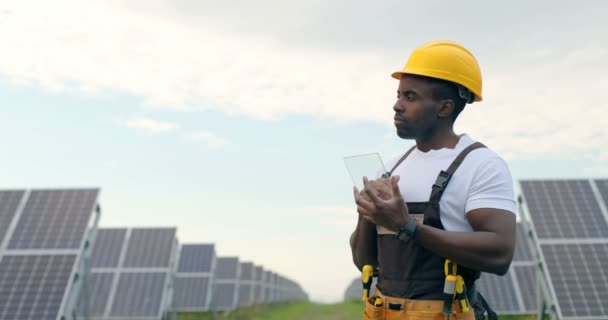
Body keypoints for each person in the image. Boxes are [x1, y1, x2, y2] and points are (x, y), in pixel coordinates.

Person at [350, 40, 516, 320]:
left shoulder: (481, 165)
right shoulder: (390, 170)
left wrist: (407, 227)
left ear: (444, 108)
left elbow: (500, 254)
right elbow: (364, 262)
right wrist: (368, 215)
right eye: (399, 95)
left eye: (410, 97)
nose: (397, 105)